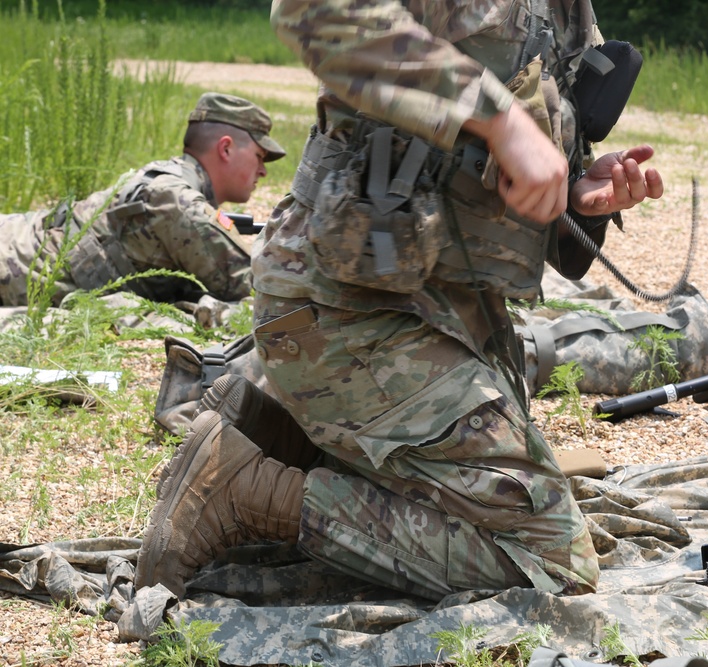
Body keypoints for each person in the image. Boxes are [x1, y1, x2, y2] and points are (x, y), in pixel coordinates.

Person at [135, 0, 664, 601]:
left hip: (438, 312)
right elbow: (315, 13)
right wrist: (501, 120)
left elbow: (505, 146)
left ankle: (276, 437)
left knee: (505, 515)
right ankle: (248, 492)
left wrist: (575, 188)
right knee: (555, 563)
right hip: (346, 308)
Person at [0, 92, 285, 307]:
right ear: (226, 149)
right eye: (259, 157)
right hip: (13, 267)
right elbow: (262, 294)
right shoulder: (180, 203)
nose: (263, 170)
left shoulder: (165, 177)